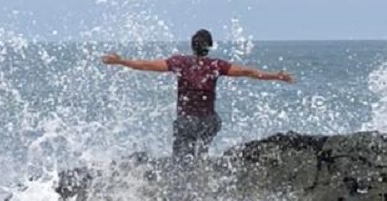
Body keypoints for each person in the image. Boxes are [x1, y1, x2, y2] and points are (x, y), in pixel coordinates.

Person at [101, 29, 296, 160]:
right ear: (208, 47)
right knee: (200, 154)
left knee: (181, 161)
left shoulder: (180, 63)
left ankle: (183, 197)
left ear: (192, 46)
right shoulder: (216, 65)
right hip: (209, 122)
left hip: (186, 122)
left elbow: (146, 65)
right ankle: (200, 179)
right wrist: (276, 76)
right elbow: (248, 72)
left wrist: (121, 61)